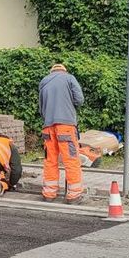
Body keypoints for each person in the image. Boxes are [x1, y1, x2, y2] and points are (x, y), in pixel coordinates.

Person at [38, 63, 85, 203]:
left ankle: (49, 194)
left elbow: (41, 109)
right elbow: (79, 100)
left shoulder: (44, 82)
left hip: (48, 127)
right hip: (66, 126)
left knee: (50, 160)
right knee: (71, 160)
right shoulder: (69, 78)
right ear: (64, 71)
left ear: (51, 71)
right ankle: (74, 195)